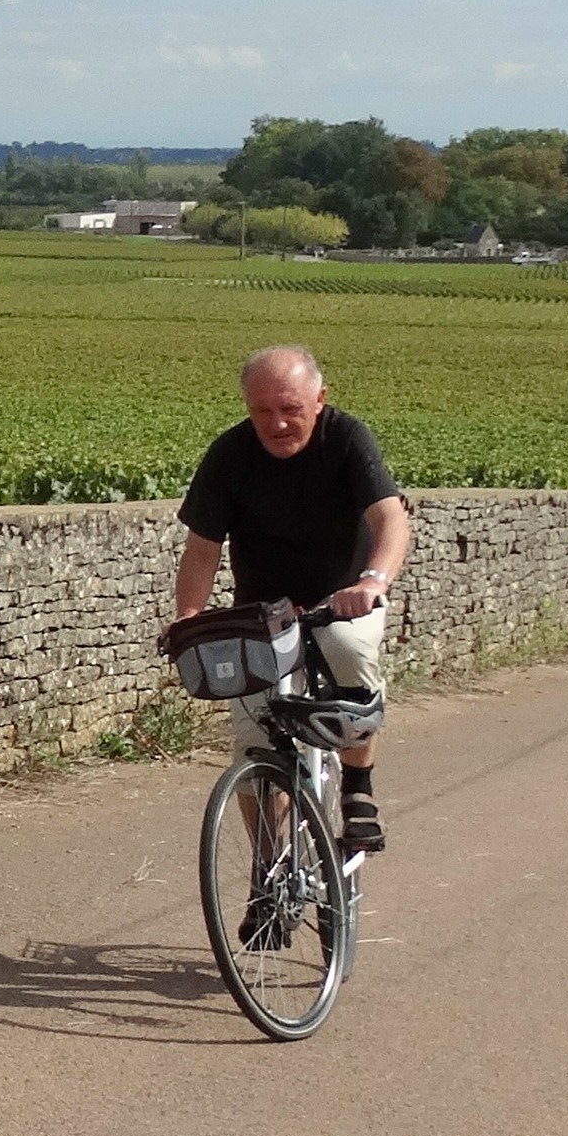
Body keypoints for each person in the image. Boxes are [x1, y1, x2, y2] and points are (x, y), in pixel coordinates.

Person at [173, 344, 410, 851]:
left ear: (320, 399)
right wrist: (189, 618)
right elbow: (201, 551)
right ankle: (270, 867)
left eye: (290, 409)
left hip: (343, 598)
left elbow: (390, 518)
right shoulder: (230, 455)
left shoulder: (347, 438)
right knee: (254, 747)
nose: (277, 424)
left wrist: (372, 582)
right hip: (262, 614)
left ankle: (358, 789)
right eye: (262, 411)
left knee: (349, 649)